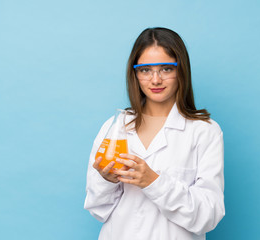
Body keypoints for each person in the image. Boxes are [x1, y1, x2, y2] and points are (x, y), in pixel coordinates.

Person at [84, 27, 225, 240]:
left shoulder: (204, 131)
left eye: (166, 69)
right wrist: (107, 181)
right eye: (145, 70)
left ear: (181, 71)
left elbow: (208, 215)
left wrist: (153, 182)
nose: (156, 80)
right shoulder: (115, 128)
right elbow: (97, 210)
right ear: (135, 73)